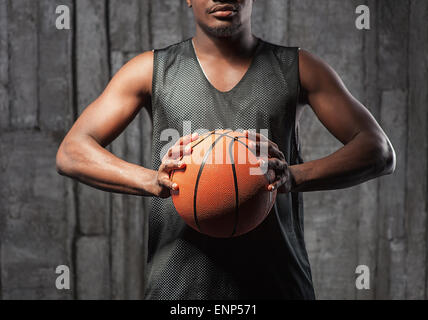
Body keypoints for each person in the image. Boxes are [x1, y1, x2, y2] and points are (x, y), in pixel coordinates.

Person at [56, 0, 396, 299]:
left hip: (278, 286)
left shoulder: (298, 67)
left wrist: (293, 175)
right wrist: (152, 180)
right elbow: (72, 151)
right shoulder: (150, 70)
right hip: (179, 291)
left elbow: (377, 149)